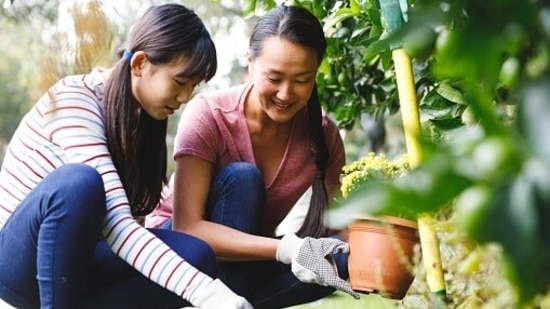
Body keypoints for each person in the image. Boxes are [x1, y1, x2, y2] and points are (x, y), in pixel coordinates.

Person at [0, 3, 252, 309]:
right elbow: (120, 228)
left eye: (193, 87)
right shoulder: (73, 99)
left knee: (196, 255)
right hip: (19, 265)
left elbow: (131, 225)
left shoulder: (143, 120)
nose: (186, 98)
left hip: (81, 264)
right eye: (180, 82)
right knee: (80, 182)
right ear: (140, 64)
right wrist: (211, 295)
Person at [146, 4, 361, 308]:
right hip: (180, 256)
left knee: (338, 257)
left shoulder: (322, 133)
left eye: (302, 80)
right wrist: (287, 249)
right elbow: (187, 226)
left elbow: (338, 224)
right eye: (274, 78)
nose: (286, 94)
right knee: (242, 178)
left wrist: (380, 251)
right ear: (250, 63)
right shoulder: (210, 115)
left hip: (246, 260)